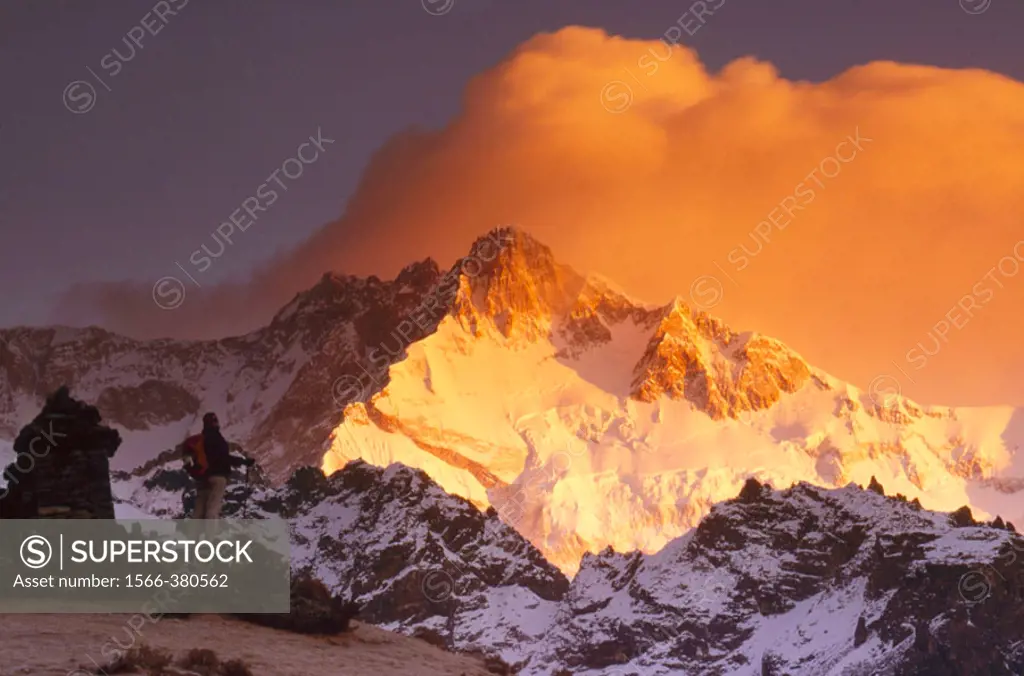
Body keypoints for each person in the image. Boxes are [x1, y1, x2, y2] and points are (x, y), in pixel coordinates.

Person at [188, 412, 254, 520]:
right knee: (212, 508)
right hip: (218, 477)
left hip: (202, 480)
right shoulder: (217, 439)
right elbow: (224, 458)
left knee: (199, 512)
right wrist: (244, 462)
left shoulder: (200, 440)